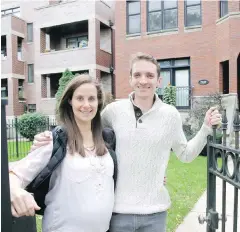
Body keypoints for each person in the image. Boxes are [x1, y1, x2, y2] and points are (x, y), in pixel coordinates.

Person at [31, 53, 222, 232]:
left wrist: (205, 128)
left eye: (149, 75)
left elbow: (186, 155)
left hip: (155, 214)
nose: (143, 81)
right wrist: (52, 137)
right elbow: (84, 128)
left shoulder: (171, 115)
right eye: (137, 75)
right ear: (130, 79)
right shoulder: (113, 111)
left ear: (158, 80)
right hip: (117, 213)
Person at [9, 74, 117, 232]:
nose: (86, 105)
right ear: (70, 101)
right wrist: (15, 190)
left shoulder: (108, 141)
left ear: (99, 102)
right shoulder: (54, 141)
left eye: (91, 99)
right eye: (80, 98)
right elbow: (15, 174)